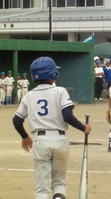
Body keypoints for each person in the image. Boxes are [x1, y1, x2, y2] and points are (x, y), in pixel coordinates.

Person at [12, 56, 92, 199]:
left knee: (42, 191)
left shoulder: (29, 95)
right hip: (60, 140)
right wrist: (83, 128)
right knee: (59, 184)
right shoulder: (60, 91)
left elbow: (17, 121)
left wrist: (25, 137)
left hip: (40, 141)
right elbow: (67, 115)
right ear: (53, 74)